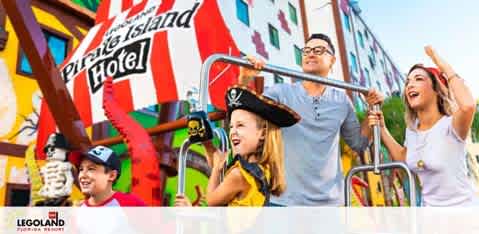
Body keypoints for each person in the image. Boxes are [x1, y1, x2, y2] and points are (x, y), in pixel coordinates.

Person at [239, 33, 384, 206]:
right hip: (284, 203)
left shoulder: (342, 101)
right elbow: (243, 116)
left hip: (332, 204)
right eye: (306, 50)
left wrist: (371, 112)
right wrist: (245, 79)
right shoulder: (281, 93)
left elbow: (359, 143)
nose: (310, 54)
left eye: (319, 50)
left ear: (332, 60)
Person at [368, 46, 477, 206]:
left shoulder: (451, 124)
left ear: (435, 89)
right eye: (407, 81)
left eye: (418, 79)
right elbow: (403, 157)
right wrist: (382, 128)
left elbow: (468, 105)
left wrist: (441, 64)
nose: (410, 85)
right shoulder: (412, 130)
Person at [204, 85, 300, 206]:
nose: (233, 131)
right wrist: (207, 145)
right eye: (231, 126)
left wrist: (216, 168)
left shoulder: (239, 175)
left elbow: (211, 201)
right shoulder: (263, 169)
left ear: (263, 132)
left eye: (240, 125)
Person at [78, 145, 146, 207]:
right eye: (81, 169)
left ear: (112, 175)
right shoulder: (80, 209)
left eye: (91, 169)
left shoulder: (131, 204)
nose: (82, 175)